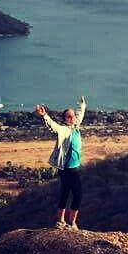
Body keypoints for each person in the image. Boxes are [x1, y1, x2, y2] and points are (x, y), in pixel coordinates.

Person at [34, 96, 86, 230]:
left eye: (73, 116)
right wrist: (44, 115)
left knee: (65, 192)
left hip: (74, 167)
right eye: (69, 116)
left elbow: (81, 114)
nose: (73, 118)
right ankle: (70, 223)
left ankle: (61, 221)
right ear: (65, 119)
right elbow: (53, 126)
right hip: (67, 168)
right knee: (77, 195)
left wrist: (82, 104)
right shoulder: (64, 130)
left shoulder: (76, 126)